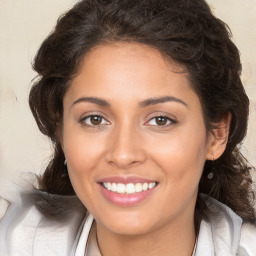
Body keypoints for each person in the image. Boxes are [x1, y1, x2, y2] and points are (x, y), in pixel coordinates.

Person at [0, 0, 256, 255]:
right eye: (95, 119)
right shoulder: (13, 239)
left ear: (217, 134)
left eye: (160, 120)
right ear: (61, 131)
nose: (123, 154)